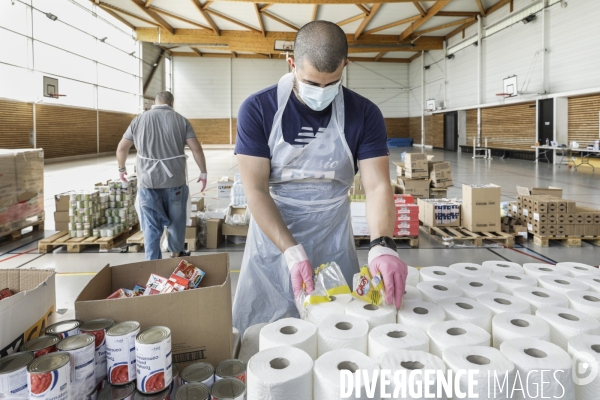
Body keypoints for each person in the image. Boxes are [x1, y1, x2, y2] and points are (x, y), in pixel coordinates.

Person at [232, 21, 408, 334]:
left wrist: (382, 243)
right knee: (268, 333)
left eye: (332, 83)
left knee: (337, 331)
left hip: (333, 236)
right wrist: (289, 249)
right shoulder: (259, 109)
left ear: (345, 66)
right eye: (312, 83)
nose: (322, 93)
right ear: (291, 64)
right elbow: (256, 190)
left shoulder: (364, 114)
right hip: (274, 237)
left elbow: (378, 185)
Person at [116, 91, 207, 260]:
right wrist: (203, 172)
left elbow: (122, 148)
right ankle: (175, 254)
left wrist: (122, 169)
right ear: (171, 103)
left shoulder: (138, 120)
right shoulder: (181, 120)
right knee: (176, 223)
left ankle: (153, 262)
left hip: (147, 183)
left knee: (150, 226)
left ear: (154, 103)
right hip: (175, 182)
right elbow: (196, 149)